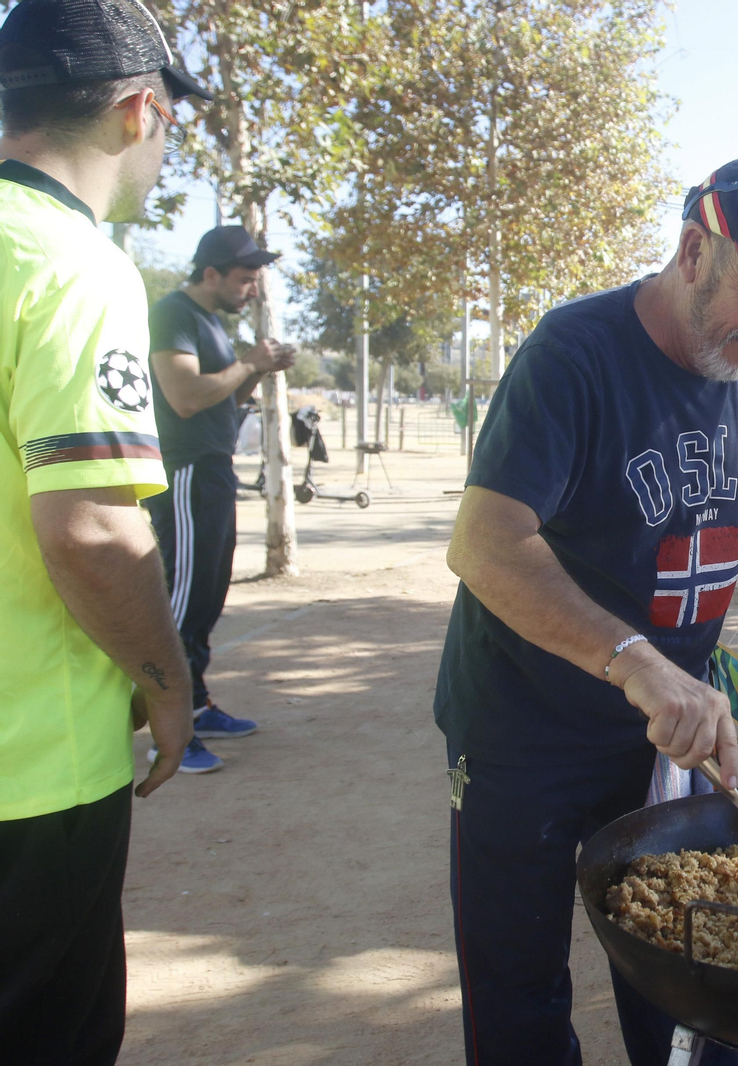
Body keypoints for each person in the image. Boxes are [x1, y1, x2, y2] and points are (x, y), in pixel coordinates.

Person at [433, 157, 738, 1065]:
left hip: (665, 736)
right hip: (524, 731)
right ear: (694, 252)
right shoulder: (572, 354)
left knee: (691, 971)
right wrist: (639, 661)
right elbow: (485, 544)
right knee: (519, 988)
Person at [0, 1, 211, 1061]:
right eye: (171, 121)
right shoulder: (71, 263)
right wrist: (169, 685)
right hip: (30, 769)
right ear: (138, 111)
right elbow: (89, 530)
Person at [143, 226, 296, 774]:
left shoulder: (209, 322)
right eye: (245, 278)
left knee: (207, 596)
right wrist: (249, 362)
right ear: (211, 273)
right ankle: (170, 731)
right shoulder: (173, 314)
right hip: (185, 471)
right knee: (182, 603)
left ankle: (197, 704)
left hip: (212, 469)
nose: (252, 290)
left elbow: (220, 400)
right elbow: (185, 397)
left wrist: (257, 370)